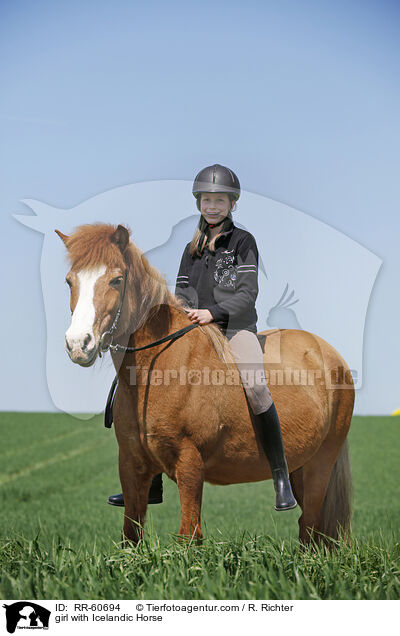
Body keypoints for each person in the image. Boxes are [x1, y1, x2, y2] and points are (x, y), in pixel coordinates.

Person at [108, 164, 297, 511]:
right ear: (199, 203)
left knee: (256, 387)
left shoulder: (243, 242)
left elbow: (247, 294)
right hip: (193, 330)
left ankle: (281, 476)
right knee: (139, 380)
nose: (213, 206)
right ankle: (149, 483)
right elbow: (180, 292)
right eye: (207, 200)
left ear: (232, 205)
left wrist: (213, 312)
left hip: (233, 330)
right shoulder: (190, 247)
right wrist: (181, 315)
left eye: (220, 201)